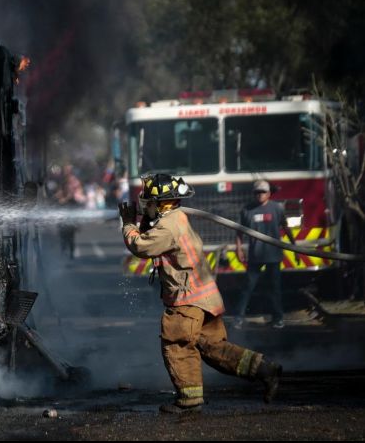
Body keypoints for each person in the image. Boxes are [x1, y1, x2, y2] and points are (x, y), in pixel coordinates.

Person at [119, 173, 282, 413]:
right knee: (212, 347)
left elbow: (140, 246)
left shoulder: (169, 226)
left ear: (162, 202)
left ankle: (189, 400)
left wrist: (128, 224)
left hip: (187, 301)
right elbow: (152, 236)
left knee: (178, 344)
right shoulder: (176, 218)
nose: (146, 206)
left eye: (149, 202)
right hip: (205, 298)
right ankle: (264, 369)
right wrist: (143, 222)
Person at [233, 180, 296, 330]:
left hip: (273, 255)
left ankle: (278, 318)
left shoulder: (277, 208)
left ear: (268, 193)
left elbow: (285, 226)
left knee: (274, 288)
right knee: (248, 287)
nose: (259, 195)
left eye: (262, 192)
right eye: (257, 192)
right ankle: (238, 318)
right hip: (255, 256)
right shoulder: (247, 210)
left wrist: (294, 245)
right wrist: (239, 249)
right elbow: (239, 232)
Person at [54, 164, 86, 259]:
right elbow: (57, 201)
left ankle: (71, 253)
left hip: (71, 222)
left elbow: (77, 208)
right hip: (62, 221)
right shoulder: (60, 196)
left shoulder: (73, 200)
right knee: (63, 238)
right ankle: (64, 252)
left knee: (71, 239)